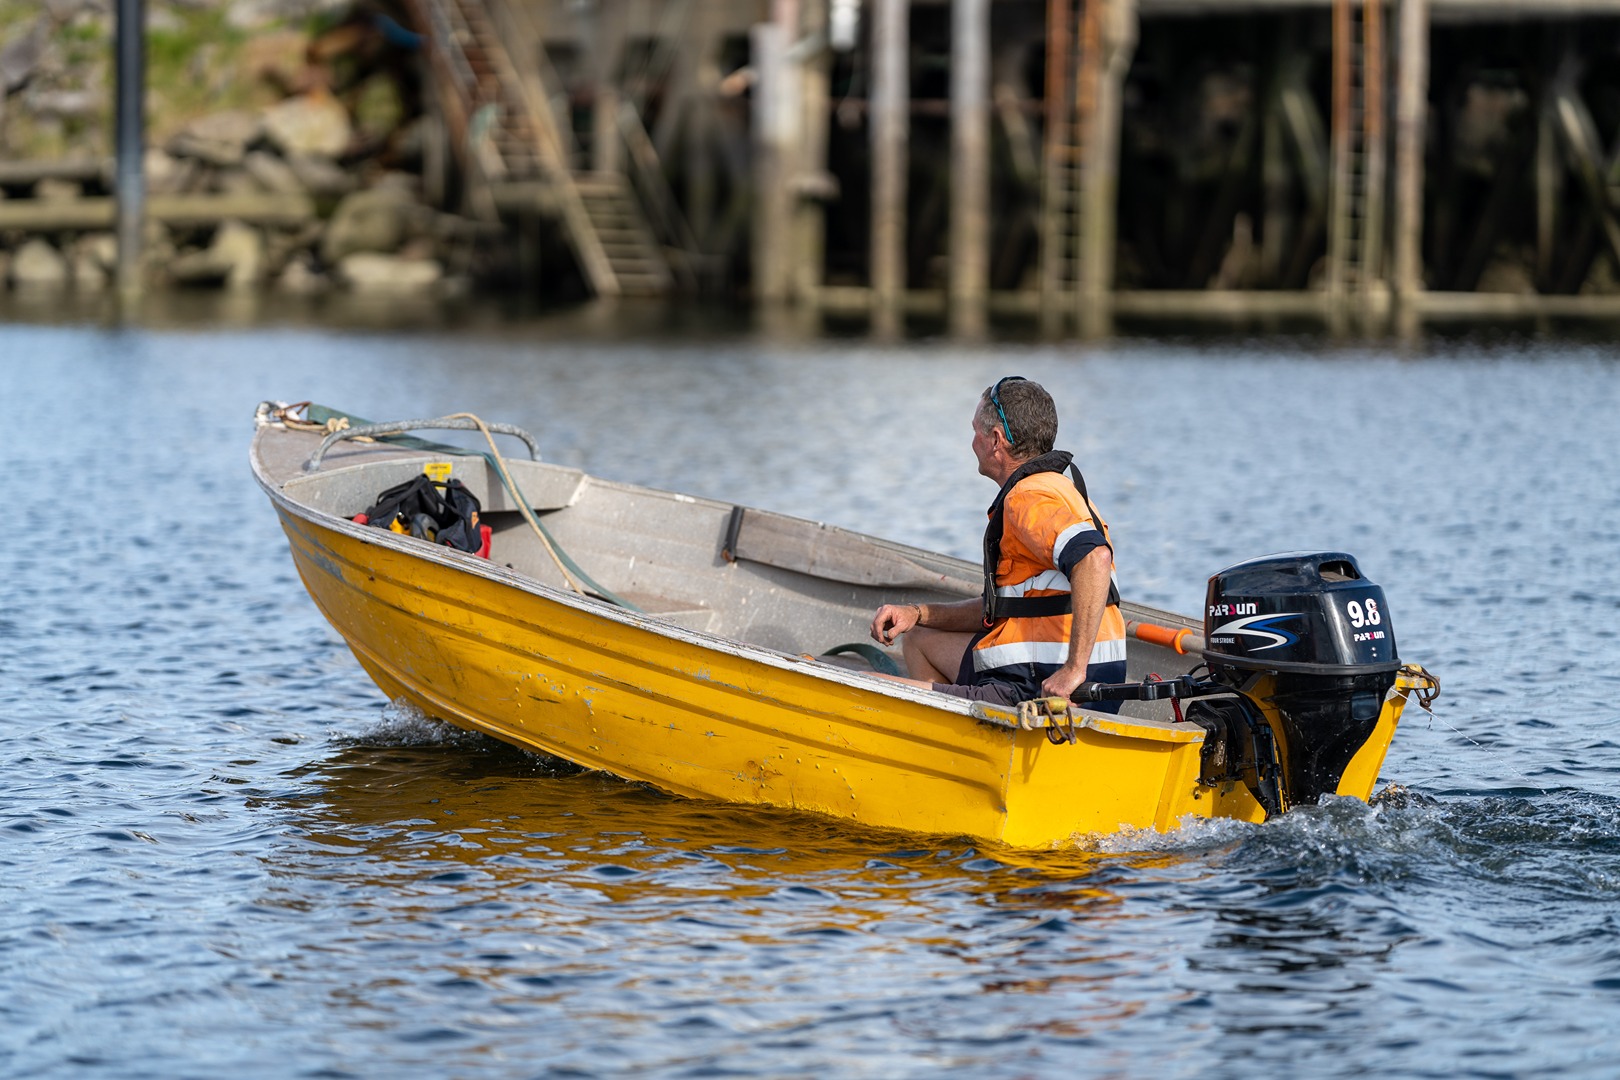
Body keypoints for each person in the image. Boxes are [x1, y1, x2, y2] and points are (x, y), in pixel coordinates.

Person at [869, 377, 1128, 711]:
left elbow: (1094, 559)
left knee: (866, 685)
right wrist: (917, 614)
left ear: (995, 440)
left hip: (1040, 689)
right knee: (919, 638)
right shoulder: (1061, 490)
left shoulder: (1028, 498)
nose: (972, 442)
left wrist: (1073, 671)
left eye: (975, 431)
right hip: (1072, 678)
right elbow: (1007, 607)